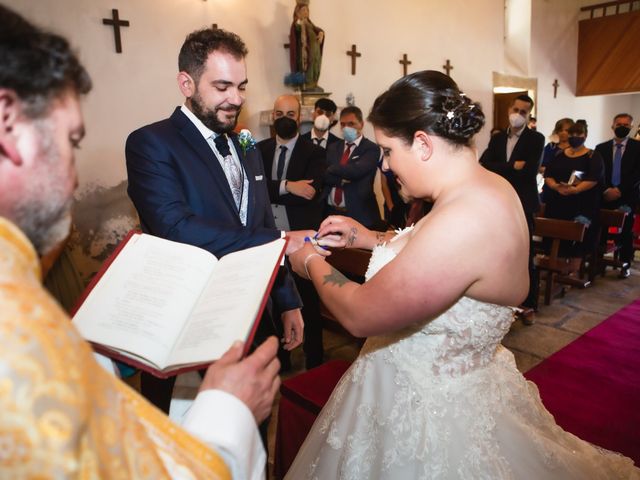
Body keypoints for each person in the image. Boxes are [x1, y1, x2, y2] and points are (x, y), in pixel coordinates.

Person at [284, 70, 639, 479]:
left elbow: (361, 314)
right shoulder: (484, 188)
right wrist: (368, 237)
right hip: (435, 386)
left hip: (431, 418)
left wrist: (309, 260)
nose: (385, 164)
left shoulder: (464, 218)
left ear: (422, 144)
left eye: (387, 150)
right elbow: (430, 251)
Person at [0, 6, 279, 479]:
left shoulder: (244, 142)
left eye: (241, 87)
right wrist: (227, 411)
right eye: (72, 141)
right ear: (8, 125)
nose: (73, 181)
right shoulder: (19, 330)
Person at [125, 27, 308, 414]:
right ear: (186, 83)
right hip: (187, 325)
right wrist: (279, 242)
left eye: (241, 86)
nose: (236, 99)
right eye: (223, 86)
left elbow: (257, 219)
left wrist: (287, 299)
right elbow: (174, 227)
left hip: (253, 321)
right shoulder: (151, 143)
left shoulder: (245, 145)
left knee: (249, 434)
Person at [257, 94, 327, 369]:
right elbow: (255, 190)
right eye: (279, 114)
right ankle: (282, 360)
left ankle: (314, 360)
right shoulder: (259, 150)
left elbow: (309, 192)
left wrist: (273, 188)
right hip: (268, 238)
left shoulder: (315, 153)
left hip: (301, 239)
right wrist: (288, 185)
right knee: (274, 303)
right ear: (273, 117)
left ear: (300, 117)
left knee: (308, 302)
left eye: (290, 114)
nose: (284, 119)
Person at [480, 94, 545, 324]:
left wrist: (504, 169)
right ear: (510, 109)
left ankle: (528, 305)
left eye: (524, 112)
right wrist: (511, 166)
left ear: (529, 115)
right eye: (516, 109)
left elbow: (528, 172)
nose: (518, 114)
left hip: (523, 203)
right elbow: (484, 165)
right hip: (499, 202)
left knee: (525, 254)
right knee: (497, 253)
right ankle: (501, 300)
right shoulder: (497, 138)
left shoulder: (536, 139)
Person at [543, 121, 604, 258]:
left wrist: (575, 190)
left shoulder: (593, 156)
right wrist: (555, 186)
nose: (574, 136)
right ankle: (554, 265)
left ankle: (573, 267)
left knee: (578, 243)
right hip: (558, 202)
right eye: (572, 134)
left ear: (585, 136)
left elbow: (593, 179)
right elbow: (548, 174)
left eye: (578, 134)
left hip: (581, 204)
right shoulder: (559, 154)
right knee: (554, 238)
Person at [321, 105, 382, 229]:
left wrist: (331, 168)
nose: (346, 128)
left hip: (359, 214)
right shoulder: (333, 147)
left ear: (362, 124)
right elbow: (323, 175)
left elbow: (356, 171)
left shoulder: (371, 148)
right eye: (343, 124)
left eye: (351, 124)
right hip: (330, 212)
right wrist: (340, 179)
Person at [595, 113, 640, 278]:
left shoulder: (637, 147)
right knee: (602, 229)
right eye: (619, 124)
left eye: (626, 125)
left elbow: (637, 174)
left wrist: (620, 190)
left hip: (627, 195)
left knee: (626, 230)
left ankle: (625, 263)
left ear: (631, 127)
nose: (622, 127)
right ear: (613, 126)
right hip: (606, 195)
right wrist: (607, 190)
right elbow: (599, 172)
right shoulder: (601, 148)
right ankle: (598, 262)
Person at [288, 0, 324, 91]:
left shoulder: (309, 23)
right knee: (308, 66)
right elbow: (297, 30)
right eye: (303, 10)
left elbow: (317, 29)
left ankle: (313, 83)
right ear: (298, 12)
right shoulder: (298, 23)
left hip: (315, 52)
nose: (306, 12)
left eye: (307, 10)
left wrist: (321, 33)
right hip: (305, 53)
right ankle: (307, 84)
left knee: (315, 66)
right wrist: (299, 21)